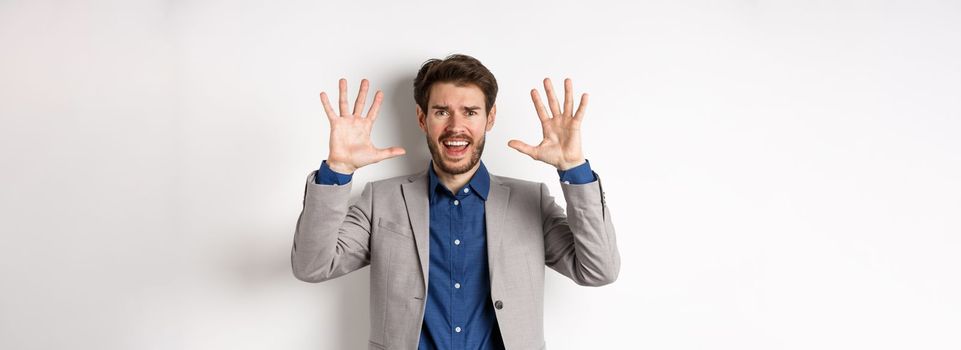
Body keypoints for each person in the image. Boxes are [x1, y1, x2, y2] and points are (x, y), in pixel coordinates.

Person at [292, 54, 620, 350]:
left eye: (470, 112)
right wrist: (338, 171)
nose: (455, 126)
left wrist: (573, 169)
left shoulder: (530, 201)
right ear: (422, 119)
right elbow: (312, 266)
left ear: (489, 119)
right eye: (441, 111)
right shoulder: (382, 199)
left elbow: (598, 270)